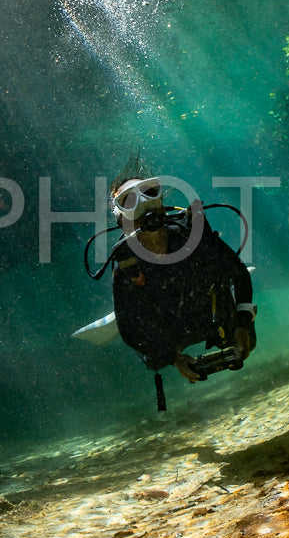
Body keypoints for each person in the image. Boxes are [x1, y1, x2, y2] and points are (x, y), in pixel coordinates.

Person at [99, 162, 257, 397]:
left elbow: (239, 273)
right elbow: (130, 331)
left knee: (245, 340)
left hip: (205, 313)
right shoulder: (126, 263)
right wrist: (173, 359)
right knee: (152, 358)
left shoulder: (191, 233)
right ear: (121, 220)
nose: (143, 203)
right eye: (129, 201)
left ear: (162, 201)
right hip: (169, 329)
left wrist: (243, 322)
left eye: (150, 192)